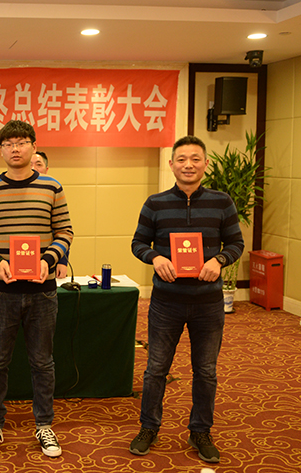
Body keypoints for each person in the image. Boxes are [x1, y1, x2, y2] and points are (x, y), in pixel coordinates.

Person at [129, 135, 244, 465]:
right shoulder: (156, 203)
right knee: (155, 369)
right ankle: (149, 427)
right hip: (166, 302)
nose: (188, 165)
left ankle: (200, 431)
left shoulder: (222, 202)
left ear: (205, 164)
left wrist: (219, 260)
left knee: (206, 371)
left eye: (195, 159)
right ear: (171, 165)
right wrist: (155, 257)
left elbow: (236, 243)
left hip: (208, 303)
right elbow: (138, 243)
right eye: (181, 159)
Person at [0, 120, 74, 459]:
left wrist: (48, 259)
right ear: (0, 150)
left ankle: (44, 424)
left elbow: (65, 231)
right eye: (9, 143)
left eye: (22, 142)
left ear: (33, 146)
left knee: (42, 362)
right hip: (1, 291)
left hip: (43, 290)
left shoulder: (52, 187)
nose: (15, 148)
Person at [31, 150, 69, 280]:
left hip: (50, 261)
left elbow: (62, 231)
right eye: (30, 164)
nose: (33, 168)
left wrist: (62, 262)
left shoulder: (53, 191)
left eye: (38, 164)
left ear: (46, 169)